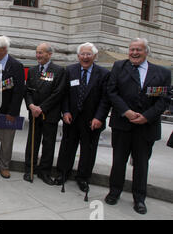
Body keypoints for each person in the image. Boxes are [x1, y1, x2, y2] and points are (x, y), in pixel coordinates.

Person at [105, 38, 171, 215]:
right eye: (131, 49)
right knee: (118, 161)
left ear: (146, 52)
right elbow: (111, 91)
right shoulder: (119, 66)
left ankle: (139, 198)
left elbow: (164, 99)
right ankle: (114, 192)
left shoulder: (162, 73)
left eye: (138, 50)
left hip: (146, 127)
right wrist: (126, 111)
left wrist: (147, 117)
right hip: (122, 124)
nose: (134, 53)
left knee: (141, 164)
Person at [54, 43, 111, 194]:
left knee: (88, 151)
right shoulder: (70, 70)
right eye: (83, 54)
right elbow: (64, 94)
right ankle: (63, 173)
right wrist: (65, 111)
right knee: (67, 147)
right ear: (78, 56)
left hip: (92, 121)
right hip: (71, 118)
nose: (85, 57)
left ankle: (83, 178)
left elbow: (105, 99)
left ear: (94, 56)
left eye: (88, 54)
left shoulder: (103, 73)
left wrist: (99, 117)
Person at [23, 42, 66, 185]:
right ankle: (29, 169)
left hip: (49, 114)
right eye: (37, 52)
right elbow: (28, 90)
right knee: (32, 142)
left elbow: (58, 93)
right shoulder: (33, 70)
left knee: (48, 144)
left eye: (41, 52)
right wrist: (31, 106)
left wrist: (41, 108)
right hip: (34, 113)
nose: (38, 55)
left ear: (49, 54)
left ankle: (44, 172)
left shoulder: (59, 71)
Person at [0, 36, 25, 179]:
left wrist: (13, 112)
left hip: (7, 111)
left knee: (7, 141)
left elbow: (19, 92)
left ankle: (4, 166)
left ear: (3, 50)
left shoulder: (16, 66)